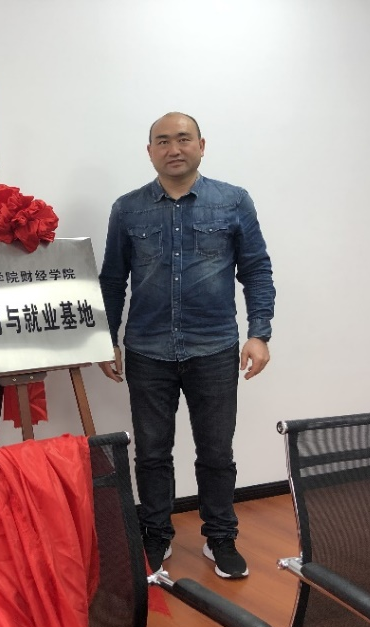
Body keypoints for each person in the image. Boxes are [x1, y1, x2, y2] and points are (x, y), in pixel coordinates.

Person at [98, 113, 275, 579]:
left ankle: (221, 538)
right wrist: (106, 339)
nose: (173, 149)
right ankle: (156, 536)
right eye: (162, 141)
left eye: (182, 139)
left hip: (213, 347)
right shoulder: (128, 209)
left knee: (216, 451)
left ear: (201, 144)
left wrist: (259, 332)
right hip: (147, 350)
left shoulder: (233, 201)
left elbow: (256, 269)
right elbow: (112, 280)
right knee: (152, 453)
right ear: (149, 151)